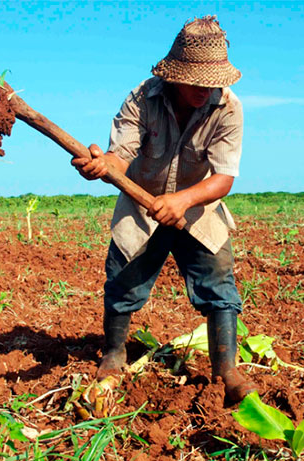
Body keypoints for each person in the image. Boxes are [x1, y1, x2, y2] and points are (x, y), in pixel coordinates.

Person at [71, 16, 257, 402]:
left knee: (219, 285)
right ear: (175, 75)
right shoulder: (143, 97)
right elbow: (119, 156)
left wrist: (183, 200)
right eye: (197, 83)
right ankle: (114, 352)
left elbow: (224, 178)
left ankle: (228, 372)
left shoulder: (228, 108)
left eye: (213, 83)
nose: (205, 91)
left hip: (198, 208)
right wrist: (102, 167)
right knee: (123, 280)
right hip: (142, 204)